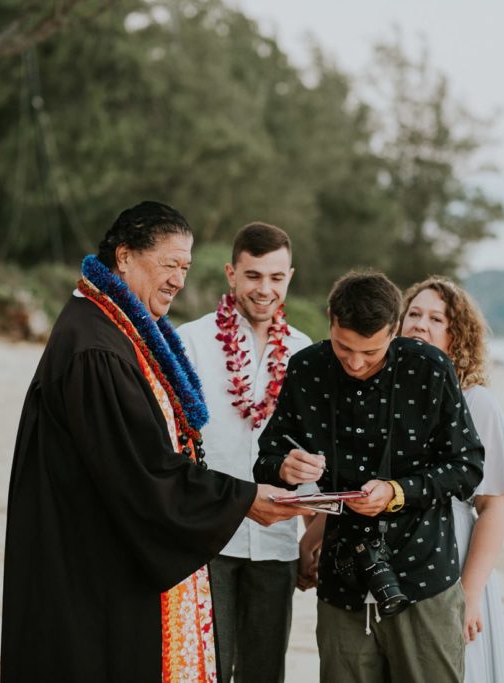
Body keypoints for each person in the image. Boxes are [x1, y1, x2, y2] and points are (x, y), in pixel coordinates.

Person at [0, 201, 307, 683]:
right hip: (88, 564)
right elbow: (141, 470)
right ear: (124, 256)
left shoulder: (116, 326)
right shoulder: (96, 347)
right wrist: (244, 499)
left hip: (102, 549)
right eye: (169, 265)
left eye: (185, 267)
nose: (178, 280)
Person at [254, 270, 485, 683]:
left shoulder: (431, 368)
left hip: (423, 576)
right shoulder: (306, 369)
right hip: (340, 584)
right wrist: (285, 467)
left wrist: (398, 492)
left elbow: (466, 468)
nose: (356, 363)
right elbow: (267, 457)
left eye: (372, 352)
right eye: (344, 349)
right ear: (330, 320)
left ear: (395, 330)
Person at [177, 222, 313, 682]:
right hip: (208, 535)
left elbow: (310, 450)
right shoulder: (189, 342)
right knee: (205, 668)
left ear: (289, 277)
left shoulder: (303, 352)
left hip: (277, 542)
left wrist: (314, 533)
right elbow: (176, 441)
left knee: (264, 673)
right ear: (231, 274)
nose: (264, 289)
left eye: (276, 277)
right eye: (253, 275)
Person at [401, 276, 504, 683]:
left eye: (436, 318)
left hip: (454, 566)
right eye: (414, 314)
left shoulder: (476, 403)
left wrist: (469, 594)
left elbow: (495, 505)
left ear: (457, 337)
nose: (420, 324)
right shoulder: (387, 398)